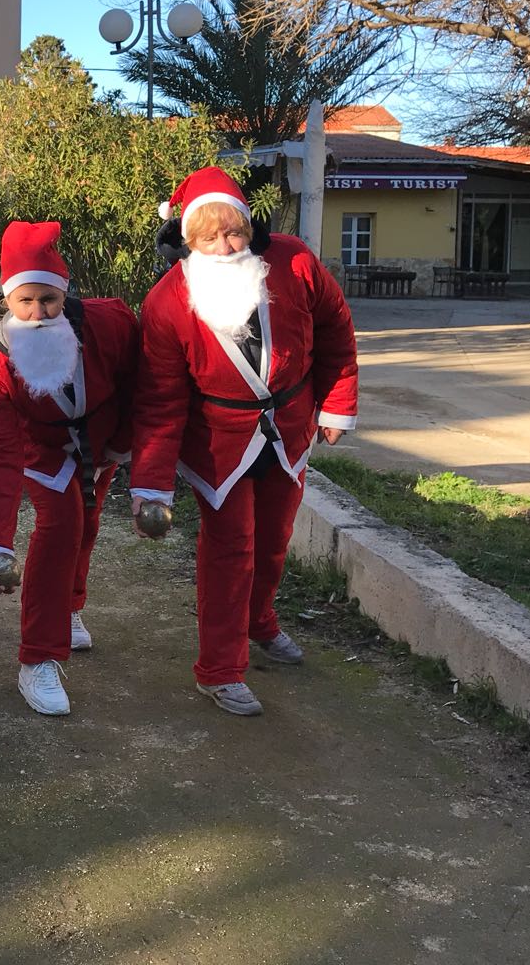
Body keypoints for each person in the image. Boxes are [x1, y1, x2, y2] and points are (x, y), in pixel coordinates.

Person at [130, 167, 358, 717]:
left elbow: (335, 327)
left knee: (276, 540)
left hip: (290, 427)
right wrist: (152, 485)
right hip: (218, 442)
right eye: (208, 238)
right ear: (187, 240)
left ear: (248, 226)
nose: (225, 246)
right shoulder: (166, 304)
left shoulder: (294, 262)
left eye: (233, 232)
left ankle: (261, 622)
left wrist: (338, 403)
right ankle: (219, 669)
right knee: (230, 549)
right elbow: (160, 400)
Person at [0, 222, 138, 716]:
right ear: (7, 301)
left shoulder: (111, 324)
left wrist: (127, 446)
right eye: (26, 301)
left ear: (64, 293)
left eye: (48, 299)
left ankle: (69, 608)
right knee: (61, 522)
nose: (39, 313)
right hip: (38, 446)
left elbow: (139, 384)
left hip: (104, 439)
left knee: (88, 521)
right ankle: (37, 658)